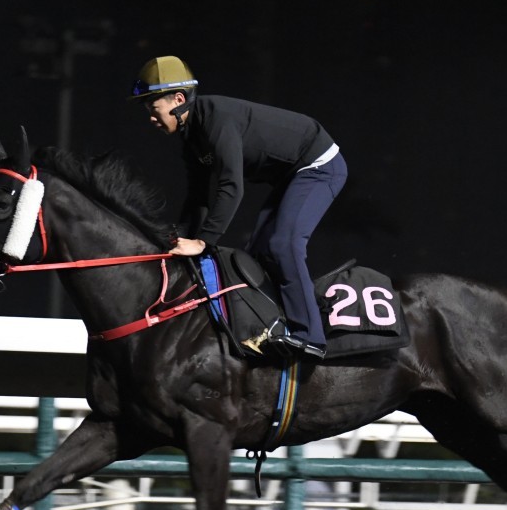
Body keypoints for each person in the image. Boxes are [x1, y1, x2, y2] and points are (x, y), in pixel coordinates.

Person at [129, 55, 347, 360]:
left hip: (320, 165)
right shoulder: (191, 138)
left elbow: (231, 186)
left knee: (283, 245)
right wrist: (178, 239)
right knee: (256, 252)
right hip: (291, 175)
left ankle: (311, 336)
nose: (151, 118)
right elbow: (199, 198)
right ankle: (286, 321)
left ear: (179, 99)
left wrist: (204, 242)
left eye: (154, 109)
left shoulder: (216, 119)